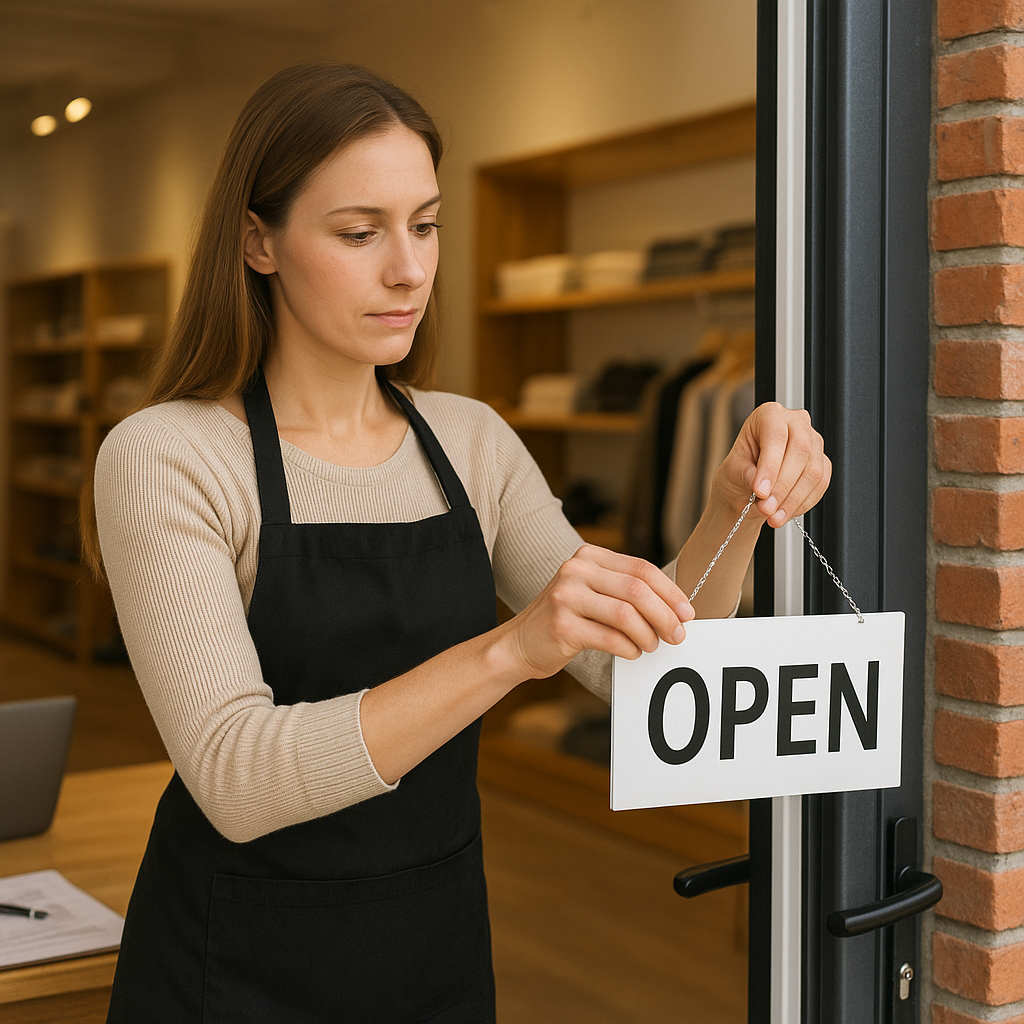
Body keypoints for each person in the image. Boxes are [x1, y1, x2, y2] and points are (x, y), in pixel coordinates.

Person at [90, 62, 831, 1024]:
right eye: (359, 233)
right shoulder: (169, 455)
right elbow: (236, 775)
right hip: (235, 965)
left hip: (433, 947)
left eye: (426, 225)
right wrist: (512, 649)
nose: (409, 269)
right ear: (257, 239)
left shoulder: (471, 440)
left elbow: (636, 667)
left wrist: (731, 508)